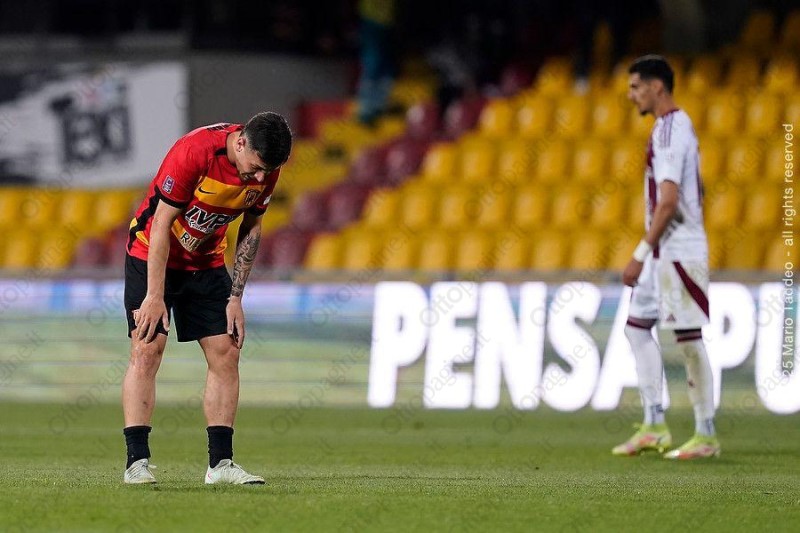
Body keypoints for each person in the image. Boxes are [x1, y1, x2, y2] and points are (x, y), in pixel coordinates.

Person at [121, 112, 292, 483]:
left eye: (267, 171)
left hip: (206, 261)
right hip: (151, 254)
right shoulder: (194, 152)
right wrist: (154, 295)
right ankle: (136, 463)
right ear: (241, 142)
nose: (260, 178)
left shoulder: (266, 166)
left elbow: (252, 228)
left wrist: (236, 298)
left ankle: (221, 465)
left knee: (227, 351)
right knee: (147, 348)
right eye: (256, 168)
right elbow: (161, 223)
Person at [614, 55, 720, 460]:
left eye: (635, 87)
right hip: (663, 252)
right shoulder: (669, 127)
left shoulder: (671, 129)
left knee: (688, 340)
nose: (631, 96)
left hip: (677, 251)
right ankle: (654, 424)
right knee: (636, 329)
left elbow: (670, 201)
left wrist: (640, 253)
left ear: (657, 86)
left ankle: (706, 434)